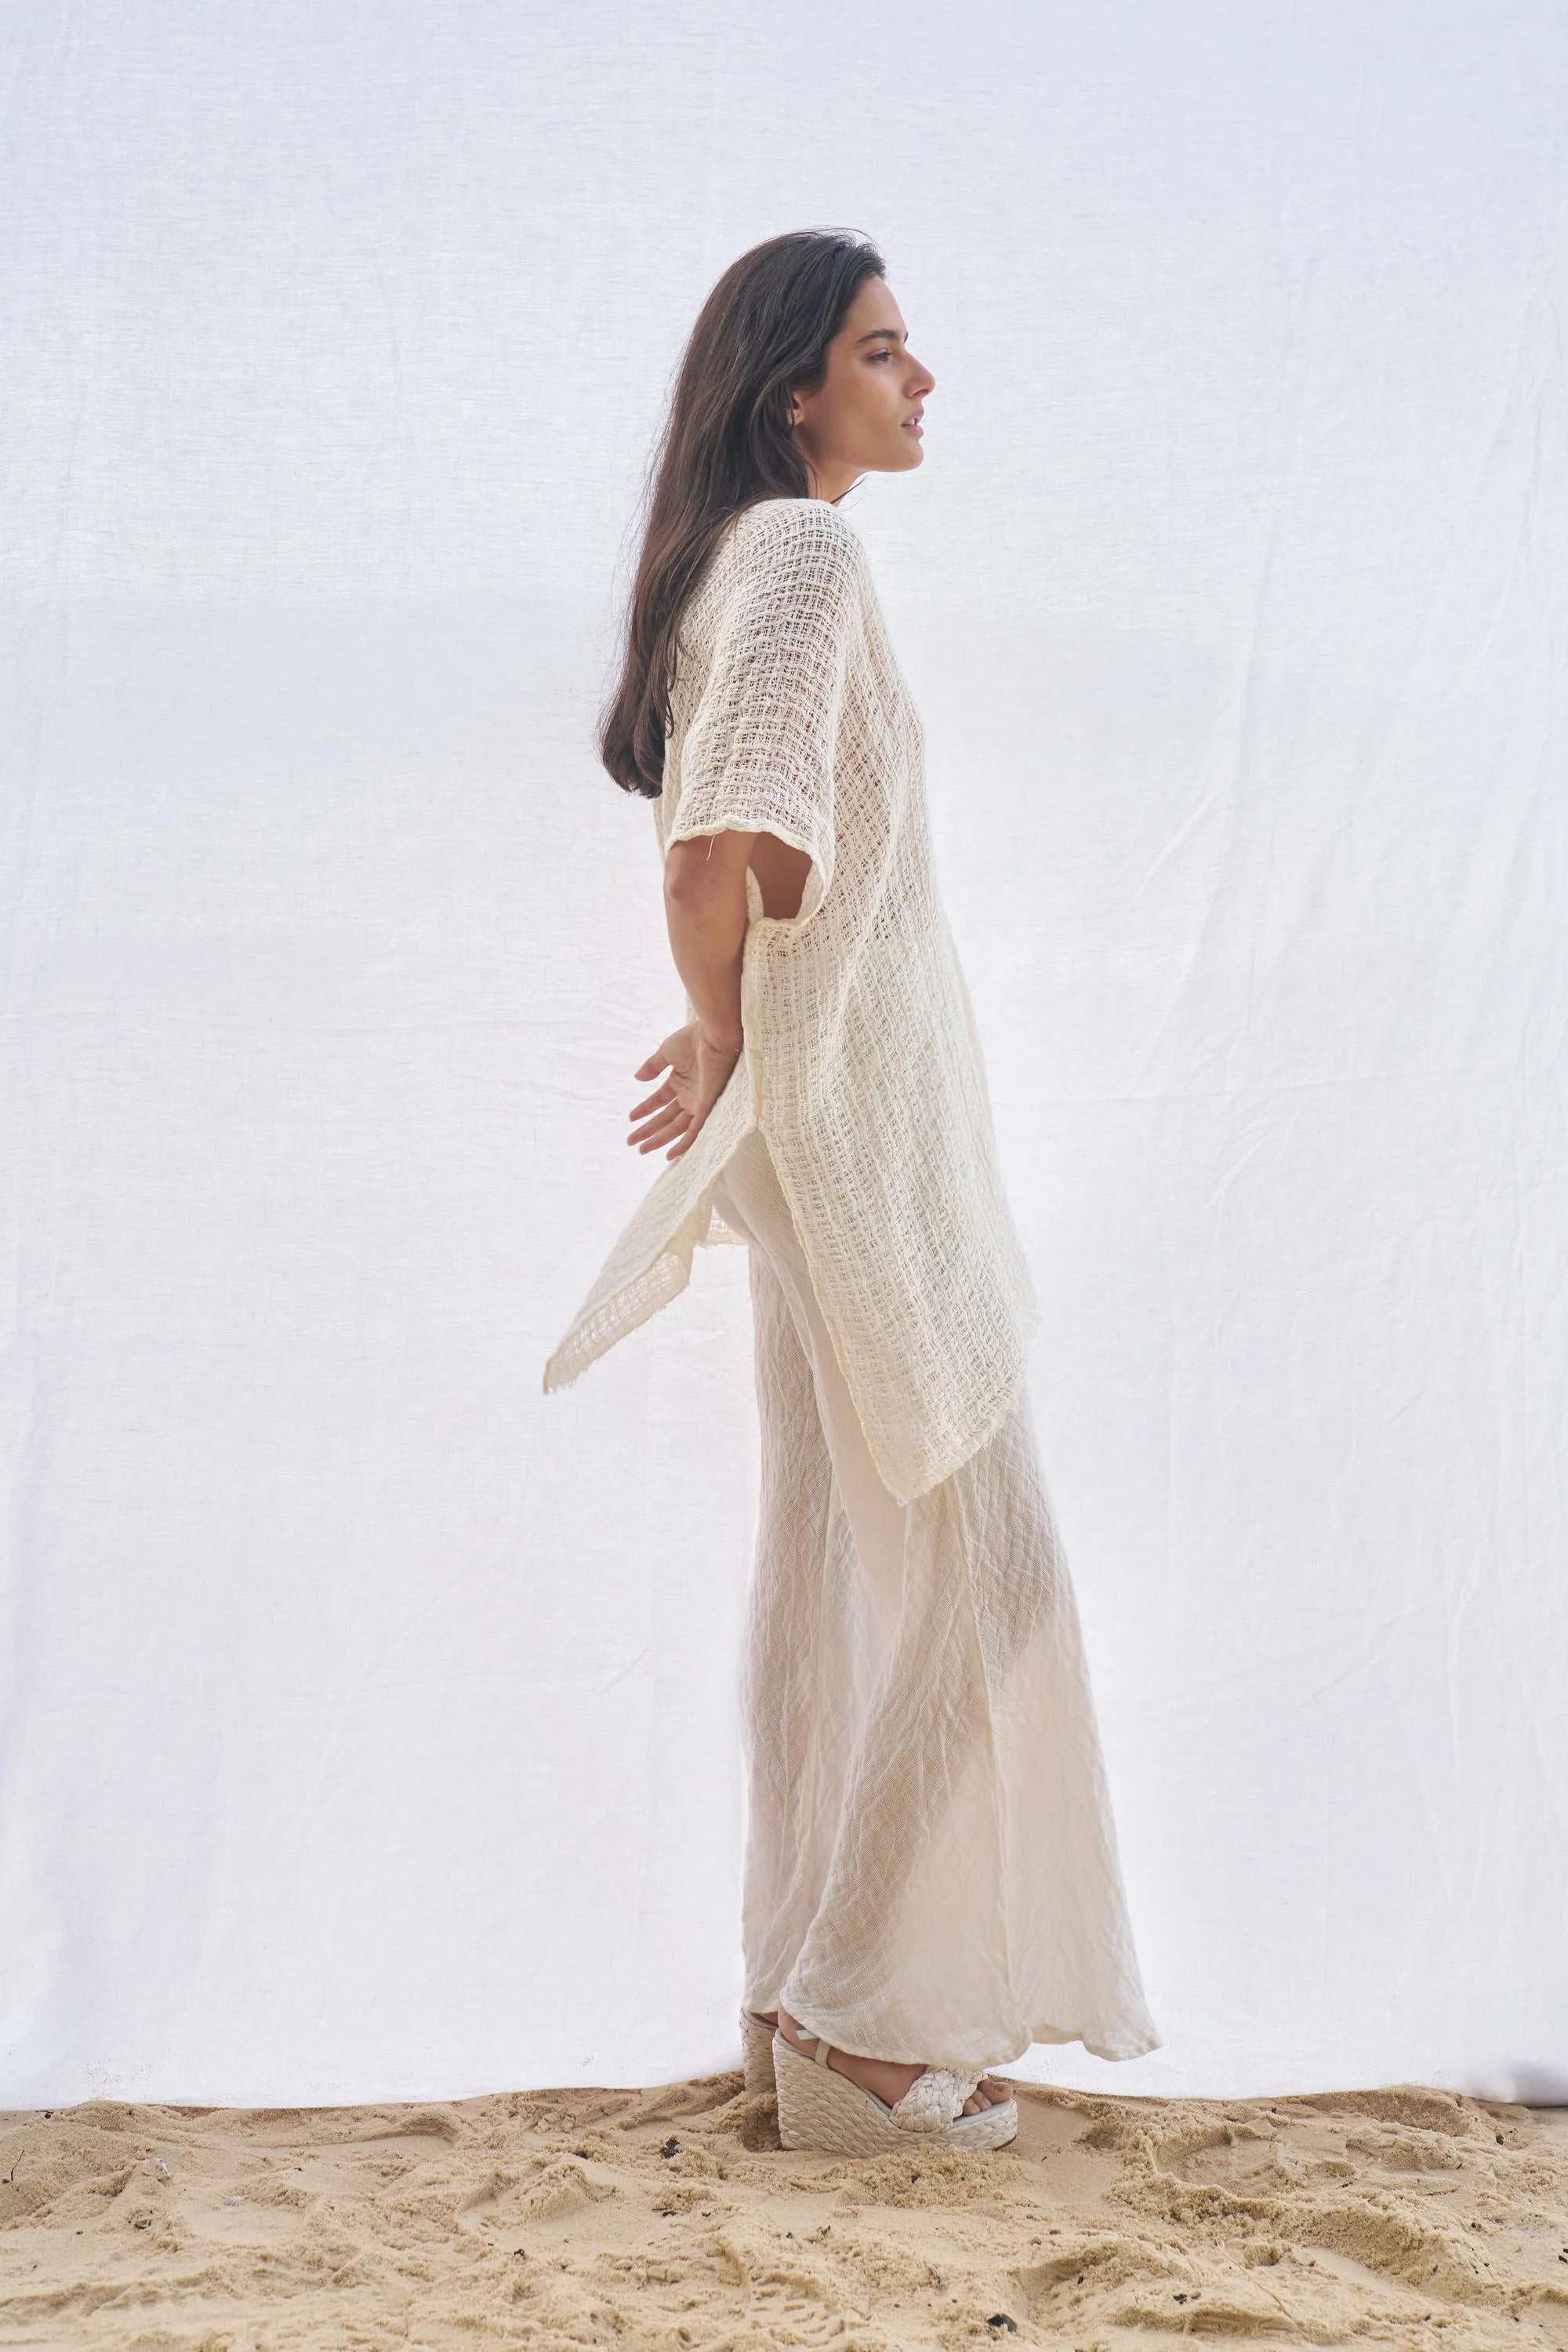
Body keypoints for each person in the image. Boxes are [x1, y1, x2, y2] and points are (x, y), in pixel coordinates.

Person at [544, 228, 1160, 2154]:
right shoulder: (803, 556)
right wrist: (725, 1031)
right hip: (851, 1138)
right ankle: (857, 2027)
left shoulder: (739, 559)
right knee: (991, 1566)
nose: (921, 379)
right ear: (791, 385)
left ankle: (791, 1994)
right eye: (883, 351)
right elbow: (712, 849)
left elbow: (718, 852)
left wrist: (731, 1037)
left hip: (823, 1133)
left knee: (826, 1555)